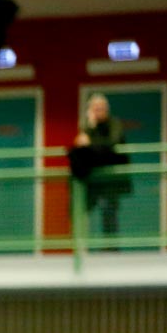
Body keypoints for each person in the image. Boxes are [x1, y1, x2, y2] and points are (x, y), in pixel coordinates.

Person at [69, 92, 130, 240]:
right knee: (78, 207)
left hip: (110, 178)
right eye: (95, 108)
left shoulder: (115, 124)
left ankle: (111, 249)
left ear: (106, 109)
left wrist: (91, 143)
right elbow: (82, 145)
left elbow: (112, 143)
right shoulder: (89, 127)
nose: (98, 111)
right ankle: (79, 248)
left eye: (101, 108)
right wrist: (89, 126)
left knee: (109, 211)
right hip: (92, 179)